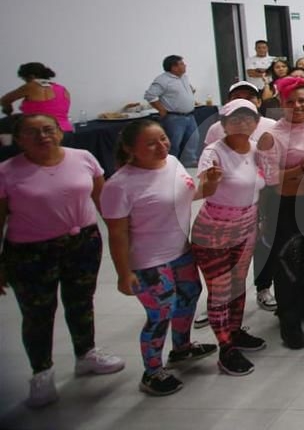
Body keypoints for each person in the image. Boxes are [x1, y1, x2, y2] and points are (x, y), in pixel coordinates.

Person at [0, 114, 125, 407]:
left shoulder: (83, 158)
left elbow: (103, 200)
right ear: (19, 140)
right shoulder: (7, 172)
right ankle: (41, 372)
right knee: (37, 313)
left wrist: (122, 240)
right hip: (29, 252)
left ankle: (86, 353)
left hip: (82, 243)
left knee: (81, 301)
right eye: (32, 132)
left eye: (48, 129)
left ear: (59, 132)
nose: (43, 136)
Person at [102, 119, 218, 396]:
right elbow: (117, 234)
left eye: (163, 138)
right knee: (160, 313)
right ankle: (152, 371)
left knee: (190, 296)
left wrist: (211, 185)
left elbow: (188, 195)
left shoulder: (174, 163)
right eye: (151, 143)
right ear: (131, 149)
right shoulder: (119, 185)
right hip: (149, 260)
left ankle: (181, 348)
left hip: (180, 250)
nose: (162, 146)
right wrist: (123, 273)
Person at [190, 99, 271, 376]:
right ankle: (225, 349)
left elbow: (258, 188)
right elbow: (204, 187)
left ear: (256, 122)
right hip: (214, 231)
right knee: (221, 291)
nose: (243, 124)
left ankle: (234, 333)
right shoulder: (214, 152)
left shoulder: (255, 150)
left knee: (237, 285)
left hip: (246, 226)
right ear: (223, 125)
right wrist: (211, 181)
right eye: (235, 120)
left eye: (249, 119)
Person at [259, 77, 304, 349]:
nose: (298, 106)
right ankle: (288, 318)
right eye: (291, 102)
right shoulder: (272, 136)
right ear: (281, 103)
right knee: (287, 261)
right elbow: (270, 179)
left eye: (303, 100)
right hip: (284, 205)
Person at [144, 55, 200, 167]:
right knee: (173, 144)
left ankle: (189, 164)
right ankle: (169, 166)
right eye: (182, 64)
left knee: (192, 141)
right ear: (174, 67)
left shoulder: (184, 77)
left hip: (190, 115)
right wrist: (161, 109)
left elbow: (190, 89)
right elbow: (150, 95)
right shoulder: (163, 80)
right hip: (175, 118)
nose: (185, 66)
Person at [3, 63, 74, 132]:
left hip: (43, 134)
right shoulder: (62, 89)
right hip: (66, 131)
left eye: (25, 79)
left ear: (31, 76)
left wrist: (8, 109)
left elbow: (4, 100)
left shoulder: (31, 86)